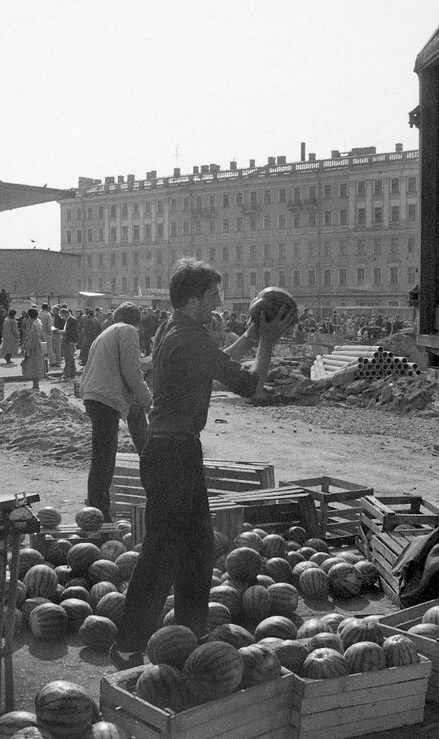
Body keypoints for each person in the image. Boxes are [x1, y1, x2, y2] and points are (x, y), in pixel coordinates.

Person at [114, 259, 295, 657]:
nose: (219, 303)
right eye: (213, 296)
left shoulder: (174, 328)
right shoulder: (189, 338)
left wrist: (249, 335)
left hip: (175, 449)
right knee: (162, 549)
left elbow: (212, 364)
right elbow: (247, 385)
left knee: (197, 546)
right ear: (195, 300)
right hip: (172, 453)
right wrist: (267, 342)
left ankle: (189, 634)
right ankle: (127, 645)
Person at [80, 302, 152, 520]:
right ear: (137, 322)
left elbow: (132, 366)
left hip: (95, 396)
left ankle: (149, 458)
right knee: (103, 459)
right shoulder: (128, 331)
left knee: (135, 425)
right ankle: (98, 514)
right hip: (106, 398)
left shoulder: (108, 332)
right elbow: (131, 372)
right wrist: (147, 398)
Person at [20, 307, 47, 391]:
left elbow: (31, 339)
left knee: (33, 367)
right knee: (36, 366)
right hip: (38, 347)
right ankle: (35, 385)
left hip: (34, 348)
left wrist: (26, 348)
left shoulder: (34, 325)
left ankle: (35, 386)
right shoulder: (38, 322)